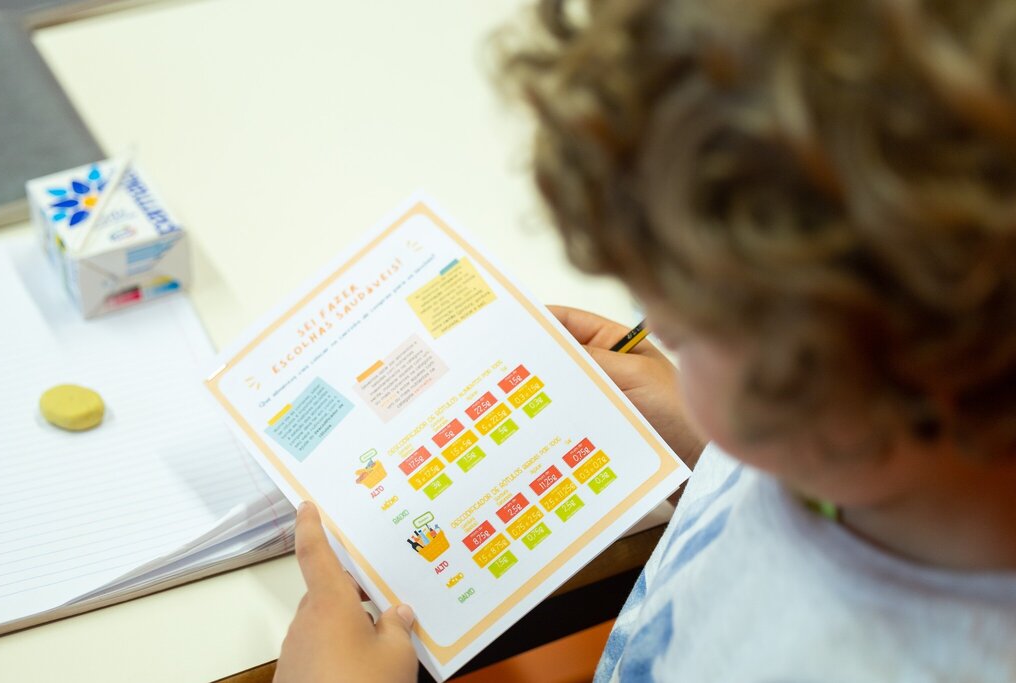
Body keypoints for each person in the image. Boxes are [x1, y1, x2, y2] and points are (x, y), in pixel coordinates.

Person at [274, 0, 1016, 681]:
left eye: (683, 333)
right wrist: (718, 453)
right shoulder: (886, 459)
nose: (655, 338)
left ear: (831, 384)